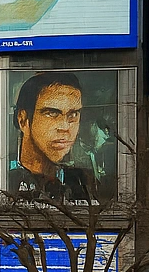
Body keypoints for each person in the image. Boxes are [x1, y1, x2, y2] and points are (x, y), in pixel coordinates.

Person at [7, 72, 96, 203]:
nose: (65, 127)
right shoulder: (4, 177)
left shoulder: (82, 180)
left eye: (73, 115)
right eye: (52, 113)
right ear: (23, 120)